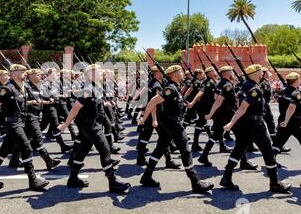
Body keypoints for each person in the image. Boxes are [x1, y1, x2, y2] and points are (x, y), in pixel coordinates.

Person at [137, 65, 214, 193]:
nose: (183, 74)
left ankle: (146, 176)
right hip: (173, 124)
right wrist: (145, 119)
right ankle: (195, 182)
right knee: (185, 150)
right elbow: (152, 102)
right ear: (174, 75)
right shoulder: (170, 88)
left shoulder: (175, 87)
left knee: (160, 148)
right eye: (181, 72)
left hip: (170, 123)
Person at [58, 64, 131, 194]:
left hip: (93, 124)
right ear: (90, 74)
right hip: (90, 125)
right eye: (99, 72)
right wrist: (64, 125)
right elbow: (75, 108)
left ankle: (72, 178)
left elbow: (97, 105)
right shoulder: (88, 88)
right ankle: (112, 182)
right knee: (105, 149)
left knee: (82, 151)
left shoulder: (95, 86)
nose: (102, 73)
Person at [0, 64, 49, 192]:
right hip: (11, 123)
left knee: (4, 150)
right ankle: (33, 180)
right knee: (26, 147)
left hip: (21, 122)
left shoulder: (23, 87)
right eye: (22, 72)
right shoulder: (7, 88)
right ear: (14, 73)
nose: (25, 74)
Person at [221, 64, 291, 193]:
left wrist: (235, 122)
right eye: (260, 72)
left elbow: (238, 103)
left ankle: (226, 176)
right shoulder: (255, 89)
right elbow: (242, 107)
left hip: (244, 123)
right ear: (255, 73)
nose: (262, 74)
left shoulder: (244, 86)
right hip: (255, 124)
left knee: (239, 149)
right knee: (268, 151)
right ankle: (274, 182)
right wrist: (231, 123)